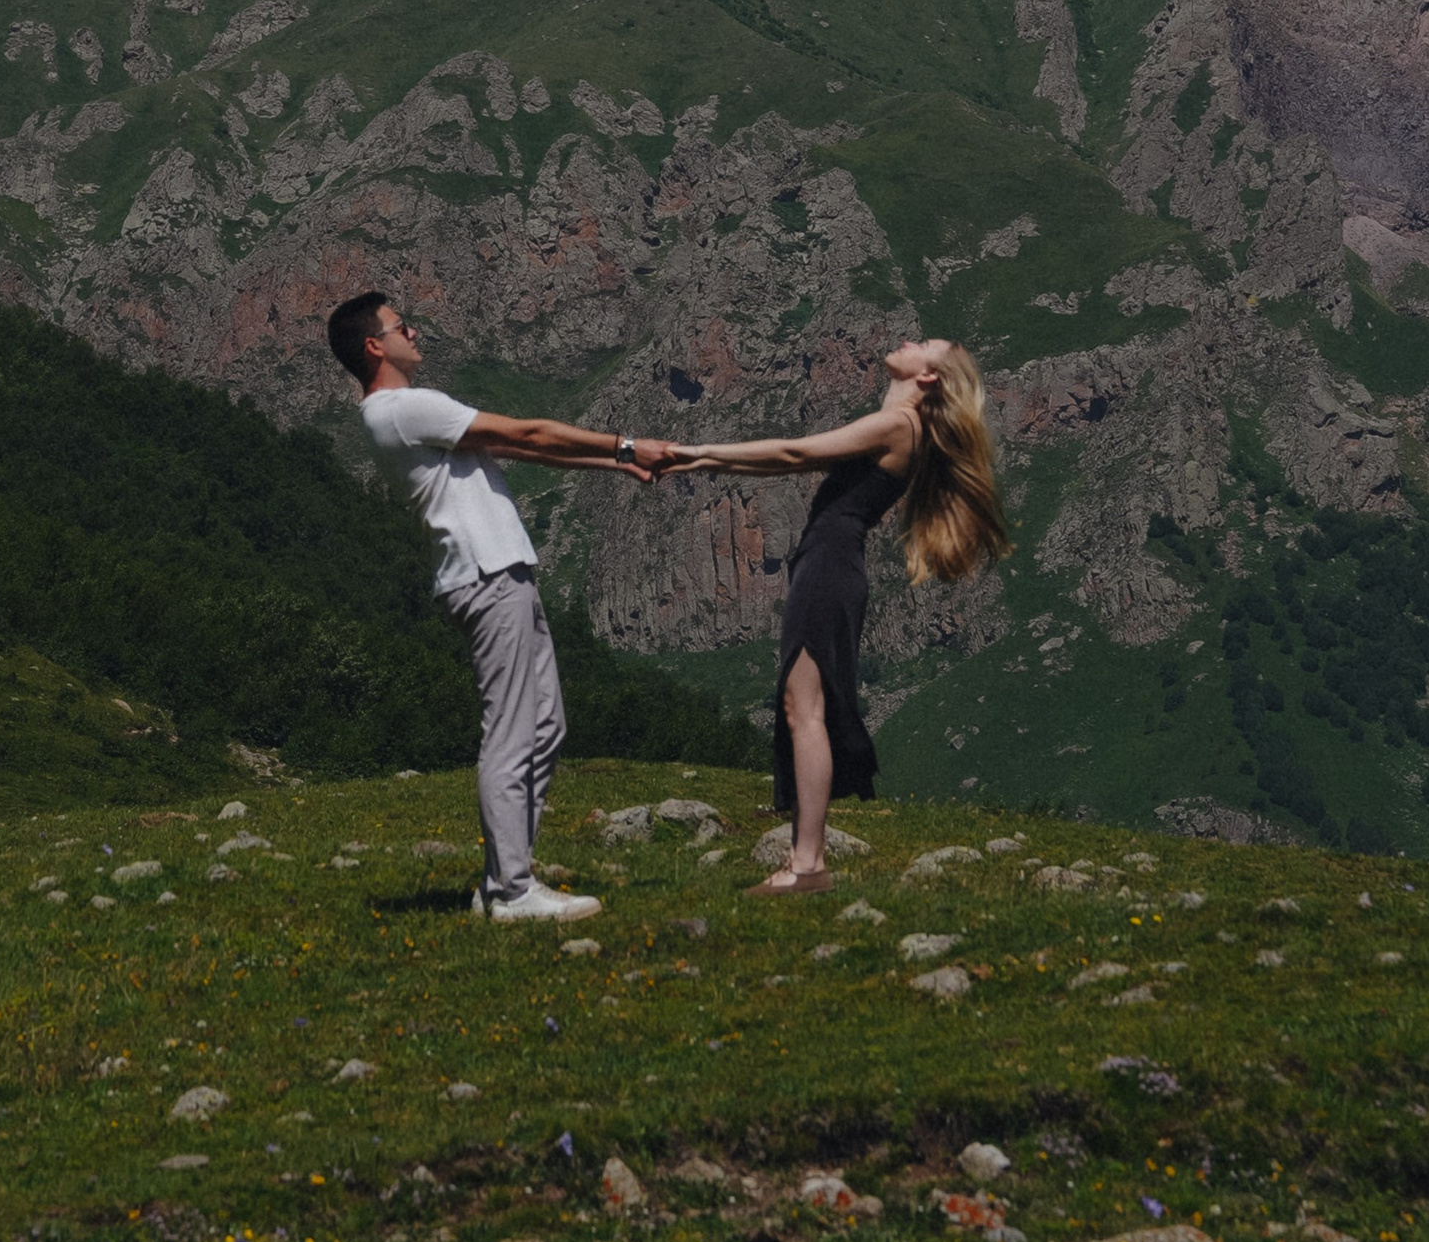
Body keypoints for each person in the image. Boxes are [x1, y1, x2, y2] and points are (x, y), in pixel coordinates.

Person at [328, 290, 670, 924]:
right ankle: (512, 890)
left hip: (499, 571)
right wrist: (625, 445)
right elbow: (526, 430)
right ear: (375, 345)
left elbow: (512, 448)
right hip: (485, 575)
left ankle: (500, 882)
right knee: (512, 730)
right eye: (403, 325)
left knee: (545, 726)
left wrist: (611, 464)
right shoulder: (403, 407)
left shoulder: (403, 414)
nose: (414, 332)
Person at [652, 338, 1011, 893]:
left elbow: (797, 454)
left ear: (930, 378)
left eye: (925, 345)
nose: (910, 340)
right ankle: (804, 858)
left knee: (806, 710)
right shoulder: (902, 426)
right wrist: (698, 457)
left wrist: (698, 454)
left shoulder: (899, 426)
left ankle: (809, 864)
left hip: (830, 564)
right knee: (802, 708)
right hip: (826, 562)